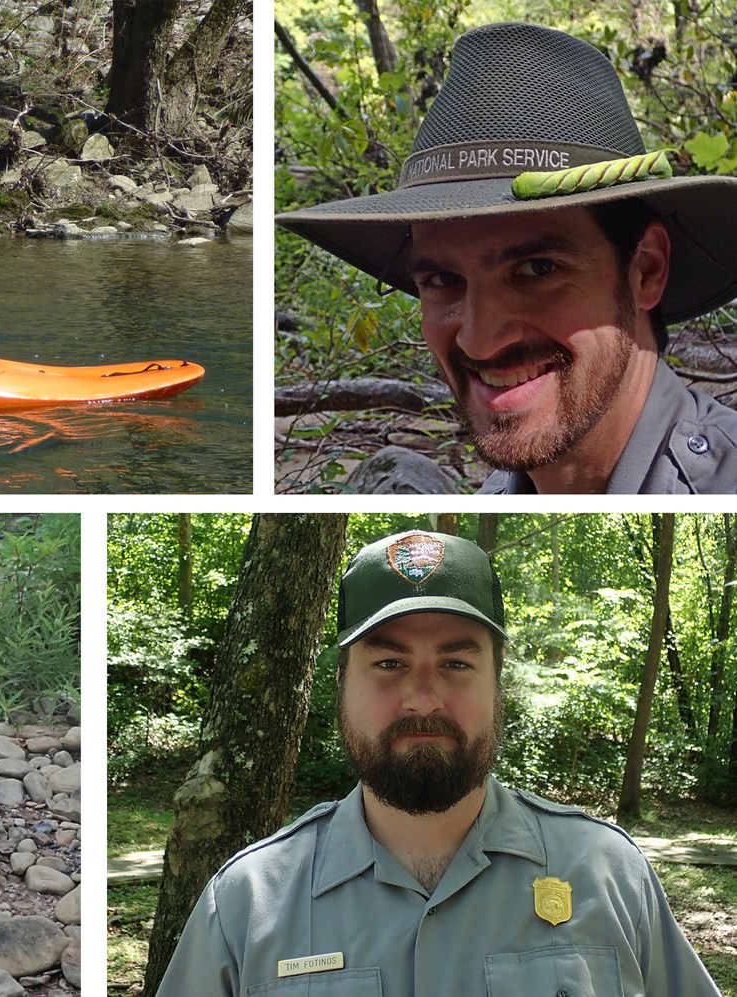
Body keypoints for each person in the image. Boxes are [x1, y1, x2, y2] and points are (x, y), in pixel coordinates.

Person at [156, 529, 721, 996]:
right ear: (340, 687)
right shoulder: (247, 904)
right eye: (387, 663)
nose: (422, 698)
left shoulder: (607, 873)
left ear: (498, 685)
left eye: (454, 663)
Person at [276, 22, 737, 493]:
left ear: (646, 270)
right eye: (441, 279)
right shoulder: (493, 494)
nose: (480, 342)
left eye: (537, 269)